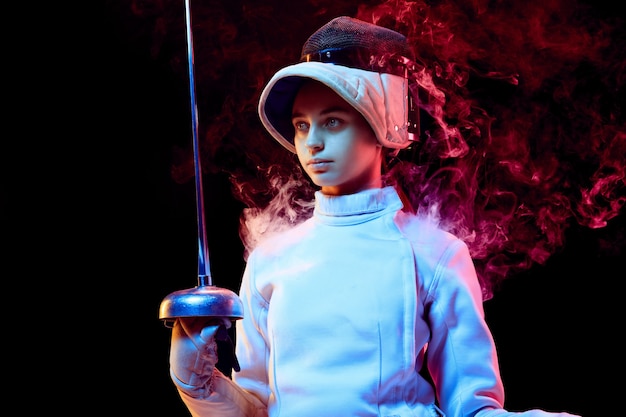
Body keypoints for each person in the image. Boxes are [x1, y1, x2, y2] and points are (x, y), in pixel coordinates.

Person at [168, 16, 581, 417]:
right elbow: (256, 409)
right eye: (301, 125)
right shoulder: (270, 260)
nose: (311, 143)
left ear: (383, 124)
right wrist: (200, 386)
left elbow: (471, 410)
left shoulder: (435, 254)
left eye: (332, 121)